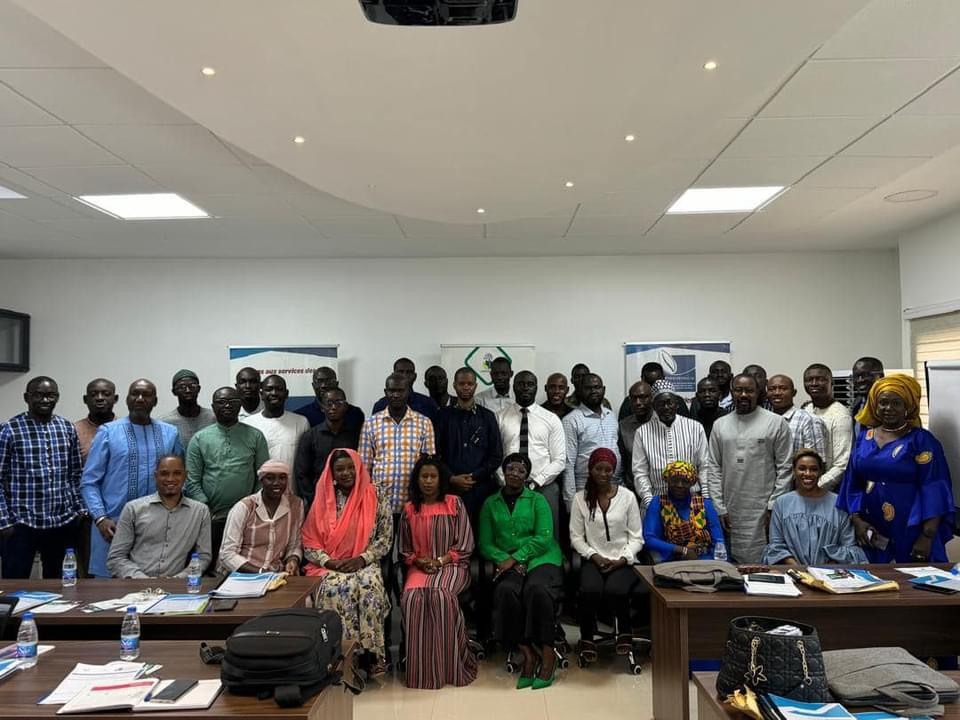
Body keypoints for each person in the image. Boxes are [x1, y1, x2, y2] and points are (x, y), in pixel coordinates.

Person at [837, 375, 954, 563]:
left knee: (914, 579)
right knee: (874, 579)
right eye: (883, 403)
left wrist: (927, 535)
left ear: (907, 406)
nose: (888, 408)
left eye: (896, 403)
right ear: (875, 405)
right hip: (871, 531)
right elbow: (852, 482)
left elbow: (934, 488)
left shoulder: (922, 440)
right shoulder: (864, 438)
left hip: (912, 530)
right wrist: (857, 521)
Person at [301, 449, 392, 676]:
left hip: (364, 561)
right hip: (330, 564)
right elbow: (310, 541)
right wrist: (329, 562)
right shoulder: (324, 497)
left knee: (369, 587)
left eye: (351, 467)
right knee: (337, 589)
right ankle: (345, 656)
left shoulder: (376, 494)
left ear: (359, 468)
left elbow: (385, 538)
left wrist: (362, 559)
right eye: (340, 469)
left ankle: (372, 655)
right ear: (332, 473)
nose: (346, 473)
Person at [81, 379, 183, 577]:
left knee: (152, 587)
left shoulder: (170, 433)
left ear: (155, 401)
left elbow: (179, 478)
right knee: (108, 589)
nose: (140, 399)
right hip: (112, 526)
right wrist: (100, 518)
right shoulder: (108, 432)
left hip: (158, 527)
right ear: (127, 399)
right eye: (135, 394)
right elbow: (89, 482)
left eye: (146, 395)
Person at [478, 453, 563, 690]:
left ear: (527, 476)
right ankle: (527, 653)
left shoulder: (537, 500)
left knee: (537, 589)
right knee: (506, 591)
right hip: (507, 560)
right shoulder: (490, 503)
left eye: (521, 471)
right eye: (511, 469)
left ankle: (548, 654)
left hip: (541, 558)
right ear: (504, 472)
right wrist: (506, 560)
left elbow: (544, 537)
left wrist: (517, 558)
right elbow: (485, 543)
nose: (515, 473)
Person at [399, 456, 477, 689]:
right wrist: (419, 560)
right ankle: (420, 673)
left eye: (433, 476)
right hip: (420, 567)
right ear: (417, 480)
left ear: (441, 479)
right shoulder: (409, 509)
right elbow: (405, 549)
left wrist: (440, 560)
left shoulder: (455, 503)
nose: (428, 481)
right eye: (424, 476)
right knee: (412, 598)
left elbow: (465, 545)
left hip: (452, 565)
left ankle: (449, 667)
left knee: (440, 596)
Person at [0, 376, 84, 579]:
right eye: (38, 395)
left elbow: (75, 474)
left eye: (50, 395)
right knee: (15, 584)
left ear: (57, 397)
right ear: (26, 397)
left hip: (61, 522)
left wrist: (79, 509)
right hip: (21, 524)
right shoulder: (9, 429)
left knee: (58, 585)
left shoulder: (66, 428)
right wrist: (4, 521)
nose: (45, 400)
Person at [704, 374, 793, 563]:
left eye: (749, 390)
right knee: (730, 562)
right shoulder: (720, 425)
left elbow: (785, 468)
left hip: (763, 508)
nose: (743, 395)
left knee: (762, 562)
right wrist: (719, 507)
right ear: (732, 392)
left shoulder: (776, 423)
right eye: (739, 390)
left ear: (758, 392)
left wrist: (773, 506)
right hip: (729, 507)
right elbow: (713, 468)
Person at [569, 448, 644, 661]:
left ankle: (625, 632)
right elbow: (576, 538)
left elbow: (637, 538)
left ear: (614, 471)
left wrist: (622, 559)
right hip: (594, 559)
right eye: (598, 469)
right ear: (590, 469)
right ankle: (587, 637)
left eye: (608, 469)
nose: (603, 474)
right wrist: (593, 555)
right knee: (589, 590)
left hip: (624, 560)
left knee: (616, 590)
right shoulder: (580, 499)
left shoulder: (627, 497)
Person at [185, 387, 269, 568]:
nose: (227, 406)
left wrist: (251, 507)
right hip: (212, 516)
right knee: (209, 567)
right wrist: (207, 509)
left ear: (240, 405)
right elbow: (191, 480)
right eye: (221, 402)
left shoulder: (255, 436)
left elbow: (263, 476)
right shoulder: (199, 439)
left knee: (243, 566)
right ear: (213, 407)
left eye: (232, 402)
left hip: (248, 516)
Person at [106, 455, 211, 578]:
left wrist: (179, 579)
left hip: (177, 585)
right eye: (164, 474)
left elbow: (203, 557)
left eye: (177, 473)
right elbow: (116, 557)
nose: (170, 479)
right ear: (155, 476)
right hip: (135, 583)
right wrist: (142, 580)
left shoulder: (200, 512)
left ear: (185, 476)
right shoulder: (133, 509)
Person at [762, 449, 867, 566]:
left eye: (813, 469)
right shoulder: (781, 503)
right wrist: (799, 569)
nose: (807, 473)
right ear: (794, 471)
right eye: (802, 468)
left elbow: (848, 547)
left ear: (821, 472)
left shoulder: (838, 503)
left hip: (830, 572)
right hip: (792, 571)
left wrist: (823, 570)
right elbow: (776, 546)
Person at [433, 367, 502, 525]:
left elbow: (496, 455)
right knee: (451, 532)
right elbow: (435, 453)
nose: (466, 387)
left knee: (480, 531)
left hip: (482, 489)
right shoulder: (442, 416)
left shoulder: (488, 417)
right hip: (450, 489)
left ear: (475, 386)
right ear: (454, 385)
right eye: (461, 383)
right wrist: (451, 478)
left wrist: (474, 476)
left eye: (470, 384)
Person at [360, 373, 436, 516]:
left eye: (400, 391)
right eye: (392, 391)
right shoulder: (370, 424)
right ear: (385, 392)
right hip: (379, 505)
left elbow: (429, 465)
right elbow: (364, 467)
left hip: (413, 504)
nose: (395, 395)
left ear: (408, 392)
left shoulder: (424, 423)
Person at [498, 371, 565, 533]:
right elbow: (495, 456)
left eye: (530, 384)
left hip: (543, 486)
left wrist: (536, 482)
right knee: (511, 533)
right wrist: (505, 481)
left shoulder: (551, 419)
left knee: (546, 532)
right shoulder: (500, 417)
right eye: (520, 384)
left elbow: (560, 459)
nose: (525, 388)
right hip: (508, 486)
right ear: (513, 387)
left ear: (536, 388)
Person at [218, 459, 304, 576]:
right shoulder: (244, 507)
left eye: (282, 478)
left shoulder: (295, 505)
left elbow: (294, 544)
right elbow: (227, 554)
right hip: (242, 574)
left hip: (277, 574)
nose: (276, 483)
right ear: (261, 480)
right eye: (270, 478)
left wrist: (292, 560)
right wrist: (261, 573)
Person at [632, 380, 709, 510]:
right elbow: (640, 472)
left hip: (692, 500)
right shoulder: (642, 433)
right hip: (657, 500)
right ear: (654, 406)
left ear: (677, 404)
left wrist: (706, 498)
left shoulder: (695, 428)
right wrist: (650, 503)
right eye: (661, 404)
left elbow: (704, 466)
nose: (666, 407)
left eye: (670, 403)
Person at [643, 460, 725, 563]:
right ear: (667, 480)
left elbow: (719, 541)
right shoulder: (658, 503)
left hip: (705, 560)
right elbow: (648, 539)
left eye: (685, 481)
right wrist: (683, 550)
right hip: (672, 561)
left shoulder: (705, 504)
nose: (679, 485)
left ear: (691, 483)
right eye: (674, 480)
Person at [294, 388, 361, 510]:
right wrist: (314, 499)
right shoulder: (310, 436)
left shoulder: (355, 436)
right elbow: (302, 473)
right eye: (329, 403)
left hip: (350, 500)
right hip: (318, 500)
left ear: (346, 406)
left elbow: (360, 468)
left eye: (338, 402)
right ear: (322, 407)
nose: (333, 407)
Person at [562, 373, 621, 511]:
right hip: (585, 489)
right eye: (588, 388)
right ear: (580, 391)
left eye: (597, 387)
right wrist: (571, 502)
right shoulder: (571, 420)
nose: (593, 391)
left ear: (603, 390)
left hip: (614, 487)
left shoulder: (611, 416)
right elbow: (568, 464)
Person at [241, 375, 309, 471]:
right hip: (259, 481)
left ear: (286, 394)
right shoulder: (248, 424)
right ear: (261, 394)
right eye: (269, 389)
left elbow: (306, 460)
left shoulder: (301, 422)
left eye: (279, 389)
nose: (274, 393)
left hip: (291, 480)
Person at [801, 364, 852, 491]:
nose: (814, 383)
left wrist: (815, 487)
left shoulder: (840, 416)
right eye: (809, 380)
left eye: (820, 379)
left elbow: (842, 464)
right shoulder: (806, 410)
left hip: (824, 490)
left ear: (831, 382)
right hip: (804, 485)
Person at [767, 374, 827, 457]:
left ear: (794, 393)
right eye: (771, 389)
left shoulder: (809, 421)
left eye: (783, 388)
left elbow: (816, 461)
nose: (777, 393)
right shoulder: (764, 420)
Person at [294, 366, 365, 430]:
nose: (324, 385)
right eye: (319, 381)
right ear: (313, 385)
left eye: (328, 381)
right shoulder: (301, 416)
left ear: (337, 384)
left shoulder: (355, 413)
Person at [159, 369, 216, 447]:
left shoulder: (214, 417)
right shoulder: (165, 423)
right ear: (174, 391)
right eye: (182, 387)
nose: (187, 390)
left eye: (192, 386)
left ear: (199, 389)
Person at [371, 358, 438, 423]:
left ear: (415, 376)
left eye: (408, 372)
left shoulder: (428, 404)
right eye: (400, 372)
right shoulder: (381, 405)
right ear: (393, 375)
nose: (404, 375)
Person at [617, 362, 688, 420]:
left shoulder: (676, 401)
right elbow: (624, 426)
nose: (654, 387)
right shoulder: (631, 401)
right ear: (642, 379)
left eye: (657, 383)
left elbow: (686, 425)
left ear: (663, 379)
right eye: (650, 383)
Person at [618, 380, 653, 493]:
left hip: (660, 489)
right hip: (633, 489)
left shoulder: (662, 422)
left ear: (652, 398)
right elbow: (622, 460)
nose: (638, 402)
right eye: (634, 398)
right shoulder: (623, 425)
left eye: (642, 397)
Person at [75, 378, 118, 463]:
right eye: (93, 394)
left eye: (106, 394)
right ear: (85, 399)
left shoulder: (126, 429)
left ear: (115, 399)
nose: (99, 398)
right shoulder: (74, 430)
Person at [850, 356, 885, 427]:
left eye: (865, 375)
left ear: (881, 376)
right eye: (856, 376)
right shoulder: (858, 402)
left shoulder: (889, 405)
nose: (860, 380)